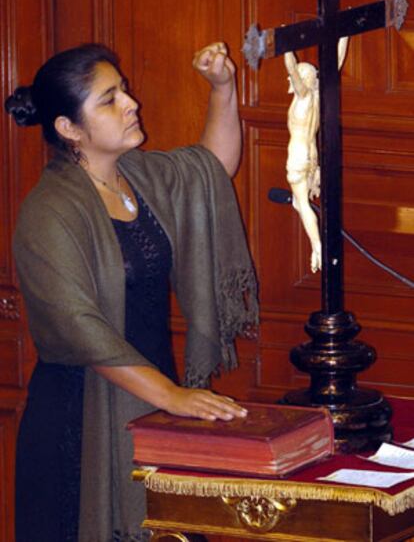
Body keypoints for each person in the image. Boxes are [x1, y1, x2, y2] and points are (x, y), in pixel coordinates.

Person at [5, 41, 259, 542]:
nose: (131, 103)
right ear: (68, 129)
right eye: (110, 99)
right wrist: (173, 396)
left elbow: (213, 167)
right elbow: (82, 330)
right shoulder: (48, 212)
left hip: (153, 406)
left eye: (123, 90)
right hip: (78, 426)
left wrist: (223, 87)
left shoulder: (139, 178)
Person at [284, 37, 349, 273]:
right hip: (313, 157)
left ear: (301, 80)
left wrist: (285, 46)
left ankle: (317, 246)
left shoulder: (303, 97)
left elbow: (291, 67)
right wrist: (343, 35)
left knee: (302, 203)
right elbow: (337, 62)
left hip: (299, 156)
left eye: (295, 77)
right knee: (297, 203)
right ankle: (317, 240)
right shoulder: (318, 94)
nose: (289, 80)